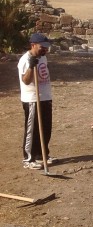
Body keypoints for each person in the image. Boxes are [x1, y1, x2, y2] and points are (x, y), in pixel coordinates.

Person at [18, 33, 58, 170]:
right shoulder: (25, 60)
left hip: (45, 97)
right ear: (33, 45)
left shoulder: (43, 58)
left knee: (46, 129)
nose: (45, 49)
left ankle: (42, 155)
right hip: (32, 99)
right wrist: (30, 66)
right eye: (42, 47)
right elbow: (26, 80)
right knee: (32, 130)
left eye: (47, 47)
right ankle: (28, 158)